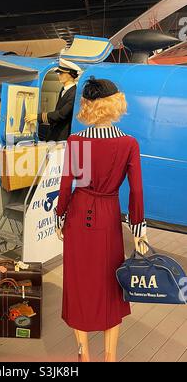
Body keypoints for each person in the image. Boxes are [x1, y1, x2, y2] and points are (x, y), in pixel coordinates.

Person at [54, 76, 149, 362]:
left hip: (79, 214)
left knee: (78, 282)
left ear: (87, 106)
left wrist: (60, 217)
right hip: (108, 217)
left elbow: (68, 184)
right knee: (111, 286)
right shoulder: (128, 143)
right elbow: (136, 190)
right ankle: (110, 357)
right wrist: (138, 229)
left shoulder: (77, 141)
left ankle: (84, 353)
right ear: (115, 104)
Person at [24, 59, 81, 141]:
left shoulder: (74, 93)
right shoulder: (64, 90)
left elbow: (61, 115)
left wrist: (37, 117)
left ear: (70, 74)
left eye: (61, 73)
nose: (59, 75)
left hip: (63, 135)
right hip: (55, 132)